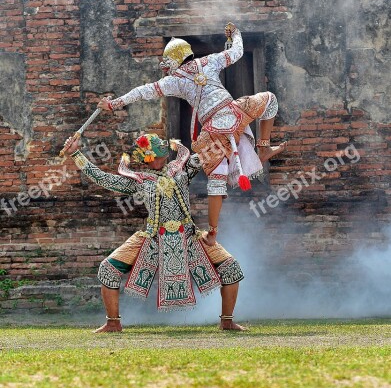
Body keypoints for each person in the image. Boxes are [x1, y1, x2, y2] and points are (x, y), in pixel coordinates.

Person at [97, 23, 287, 246]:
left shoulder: (174, 80)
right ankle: (263, 146)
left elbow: (143, 91)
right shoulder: (209, 61)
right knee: (270, 101)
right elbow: (236, 52)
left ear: (173, 61)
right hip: (235, 112)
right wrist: (236, 34)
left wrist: (114, 103)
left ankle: (213, 232)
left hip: (213, 131)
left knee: (216, 179)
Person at [63, 132, 246, 333]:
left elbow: (209, 153)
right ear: (145, 159)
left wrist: (232, 133)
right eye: (151, 157)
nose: (156, 160)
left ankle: (227, 321)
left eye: (158, 155)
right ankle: (113, 323)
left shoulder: (183, 168)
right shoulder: (139, 180)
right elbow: (104, 179)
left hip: (189, 235)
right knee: (108, 269)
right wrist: (76, 154)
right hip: (153, 238)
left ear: (166, 154)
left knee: (231, 269)